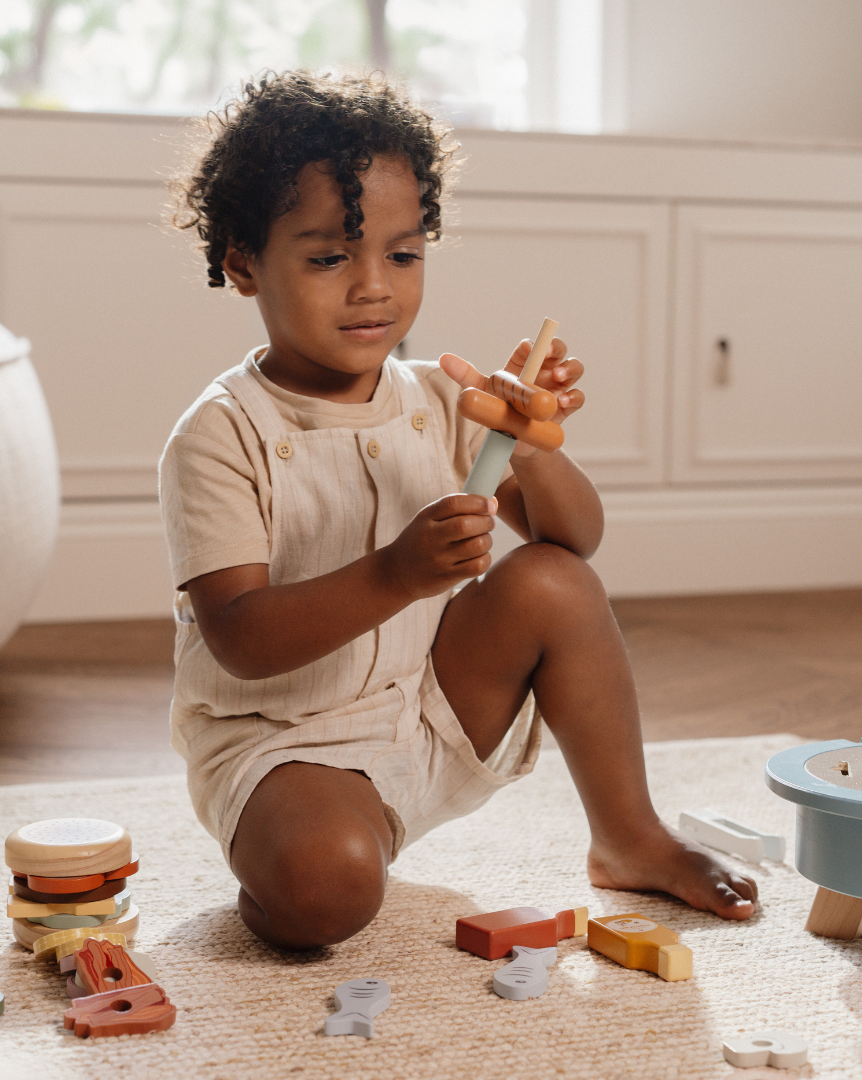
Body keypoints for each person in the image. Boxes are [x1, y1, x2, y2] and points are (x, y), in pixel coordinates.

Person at [162, 70, 757, 950]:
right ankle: (288, 867)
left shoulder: (442, 397)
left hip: (426, 706)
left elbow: (574, 543)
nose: (374, 288)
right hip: (278, 744)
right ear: (244, 262)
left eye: (402, 256)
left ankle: (630, 835)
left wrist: (526, 442)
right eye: (329, 258)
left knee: (552, 583)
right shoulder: (220, 434)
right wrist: (395, 574)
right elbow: (242, 640)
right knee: (327, 891)